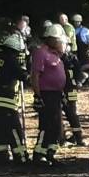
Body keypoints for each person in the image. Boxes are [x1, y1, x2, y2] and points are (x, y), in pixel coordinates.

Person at [29, 24, 70, 166]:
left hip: (57, 94)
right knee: (46, 125)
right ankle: (39, 154)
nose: (62, 43)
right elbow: (35, 75)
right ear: (52, 40)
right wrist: (38, 95)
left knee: (56, 126)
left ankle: (50, 153)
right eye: (60, 40)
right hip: (46, 94)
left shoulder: (57, 55)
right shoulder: (41, 53)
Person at [0, 34, 30, 165]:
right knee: (14, 129)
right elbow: (23, 76)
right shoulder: (11, 61)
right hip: (5, 100)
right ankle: (20, 156)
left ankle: (1, 157)